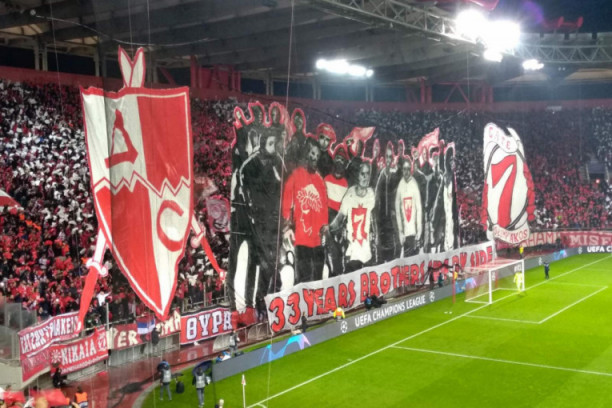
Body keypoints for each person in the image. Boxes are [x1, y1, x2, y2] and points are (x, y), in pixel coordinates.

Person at [281, 139, 329, 283]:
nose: (314, 158)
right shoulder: (296, 175)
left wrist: (325, 227)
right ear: (306, 153)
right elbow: (286, 203)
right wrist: (287, 227)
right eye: (312, 153)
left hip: (318, 241)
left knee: (318, 281)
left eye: (317, 156)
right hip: (302, 239)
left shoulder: (320, 181)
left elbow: (324, 208)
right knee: (303, 281)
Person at [328, 162, 376, 273]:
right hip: (352, 255)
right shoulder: (350, 195)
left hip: (367, 255)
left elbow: (375, 219)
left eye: (367, 174)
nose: (365, 177)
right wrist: (328, 229)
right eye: (362, 174)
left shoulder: (371, 195)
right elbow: (339, 219)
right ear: (357, 176)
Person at [395, 159, 423, 258]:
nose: (406, 171)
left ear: (410, 169)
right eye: (404, 169)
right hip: (404, 234)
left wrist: (419, 229)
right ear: (402, 170)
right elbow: (397, 210)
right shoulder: (400, 186)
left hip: (413, 232)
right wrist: (400, 231)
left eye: (408, 169)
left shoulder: (414, 184)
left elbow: (419, 208)